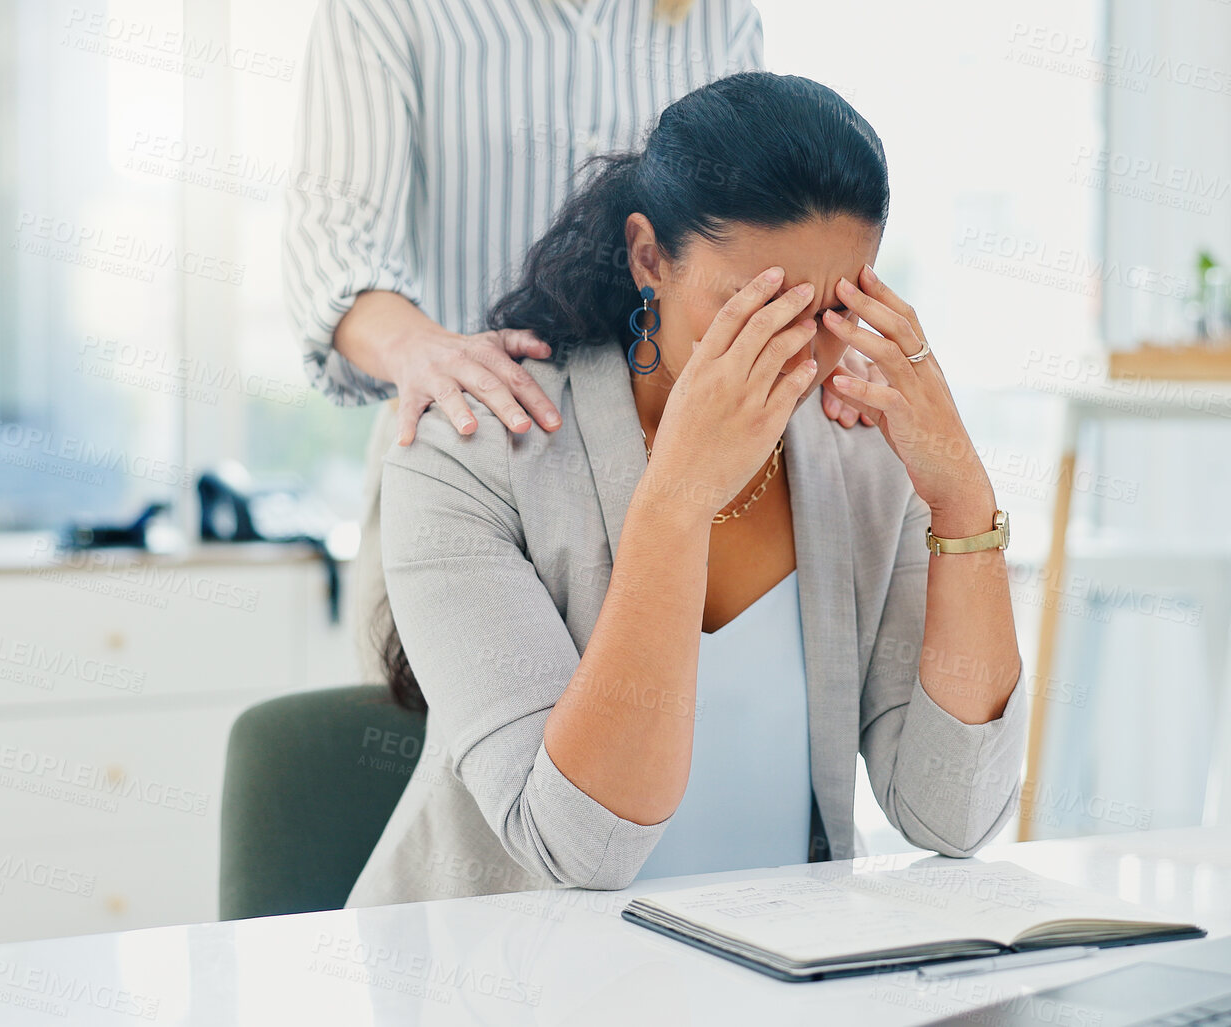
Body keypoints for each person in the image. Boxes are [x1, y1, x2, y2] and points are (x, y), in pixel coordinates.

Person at [348, 72, 1025, 907]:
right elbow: (577, 845)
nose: (796, 352)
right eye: (755, 306)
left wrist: (961, 500)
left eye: (833, 309)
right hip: (503, 965)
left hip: (773, 960)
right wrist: (677, 498)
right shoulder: (471, 450)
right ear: (648, 258)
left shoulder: (865, 450)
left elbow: (954, 814)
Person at [283, 0, 879, 675]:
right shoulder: (393, 10)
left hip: (675, 435)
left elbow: (765, 207)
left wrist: (814, 326)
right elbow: (333, 246)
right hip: (471, 449)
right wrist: (418, 349)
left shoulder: (715, 13)